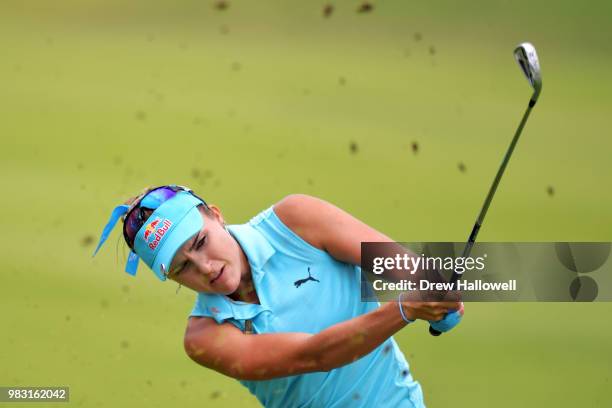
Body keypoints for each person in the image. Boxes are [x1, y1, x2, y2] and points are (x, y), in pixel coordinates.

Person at [94, 185, 463, 407]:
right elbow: (314, 355)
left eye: (201, 242)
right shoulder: (204, 337)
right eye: (181, 268)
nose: (204, 267)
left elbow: (402, 265)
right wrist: (405, 309)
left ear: (216, 215)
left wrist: (439, 295)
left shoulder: (297, 221)